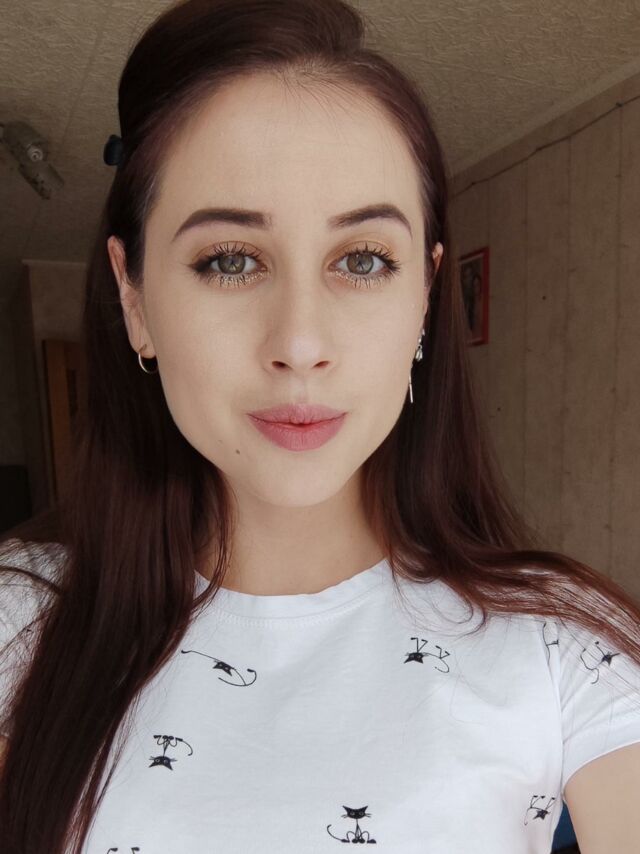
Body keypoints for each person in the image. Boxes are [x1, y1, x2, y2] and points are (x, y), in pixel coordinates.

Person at [1, 1, 639, 852]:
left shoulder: (565, 639)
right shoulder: (20, 621)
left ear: (424, 297)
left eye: (363, 260)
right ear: (135, 298)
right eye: (230, 261)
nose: (300, 344)